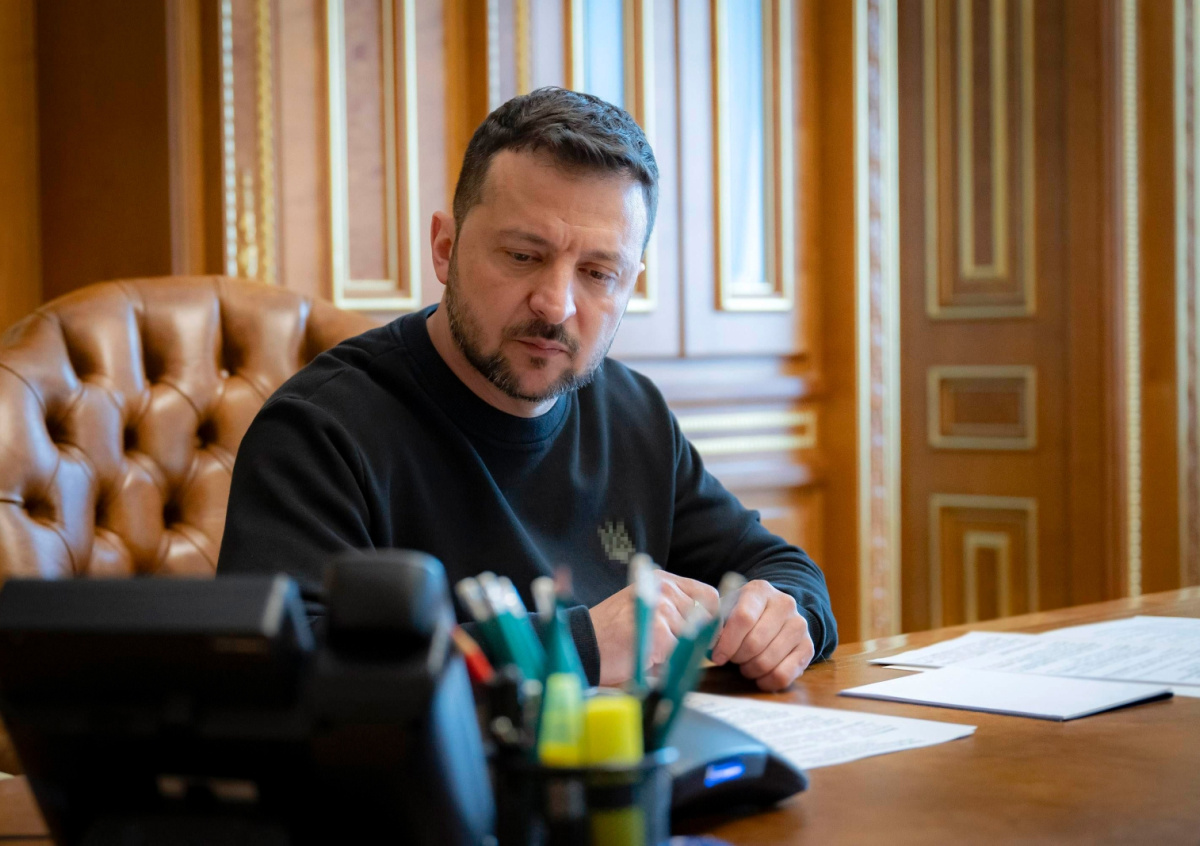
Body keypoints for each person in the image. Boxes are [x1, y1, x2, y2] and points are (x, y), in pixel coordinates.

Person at [217, 87, 836, 691]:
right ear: (445, 247)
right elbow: (284, 675)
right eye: (522, 256)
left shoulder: (633, 413)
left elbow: (780, 568)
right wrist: (576, 646)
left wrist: (785, 618)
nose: (556, 304)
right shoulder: (319, 430)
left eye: (598, 273)